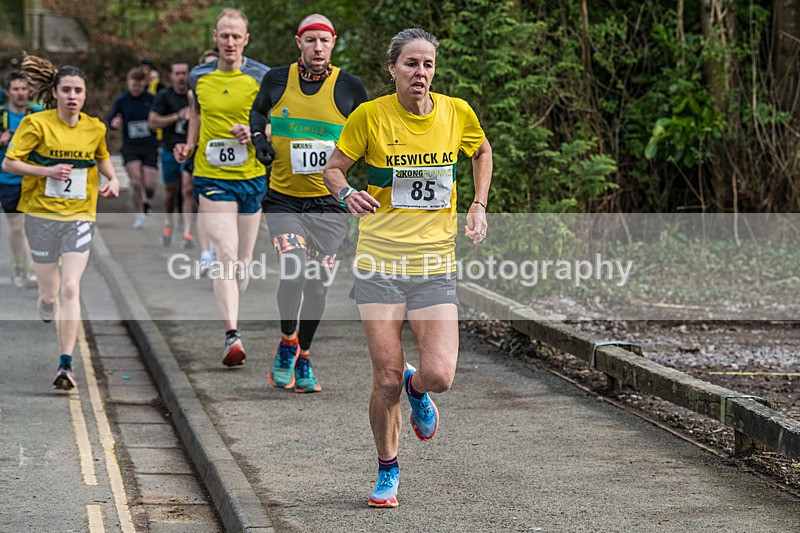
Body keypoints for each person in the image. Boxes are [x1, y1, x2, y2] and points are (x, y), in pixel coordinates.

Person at [322, 28, 492, 508]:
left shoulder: (456, 113)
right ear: (392, 69)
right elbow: (333, 167)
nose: (421, 73)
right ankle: (388, 470)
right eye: (411, 64)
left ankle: (420, 389)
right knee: (386, 378)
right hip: (380, 263)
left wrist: (478, 204)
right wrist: (344, 193)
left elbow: (481, 151)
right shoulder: (369, 116)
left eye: (428, 65)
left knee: (439, 374)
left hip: (435, 263)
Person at [249, 14, 368, 393]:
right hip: (283, 200)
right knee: (293, 269)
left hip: (330, 205)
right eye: (311, 40)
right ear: (299, 43)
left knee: (317, 285)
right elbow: (257, 112)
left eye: (325, 41)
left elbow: (370, 133)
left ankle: (304, 354)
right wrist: (258, 139)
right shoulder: (276, 80)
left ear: (333, 44)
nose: (318, 48)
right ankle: (287, 342)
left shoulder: (349, 87)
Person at [3, 55, 120, 390]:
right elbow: (10, 164)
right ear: (54, 93)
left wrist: (113, 181)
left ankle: (66, 364)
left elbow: (103, 159)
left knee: (71, 286)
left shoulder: (94, 127)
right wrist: (47, 171)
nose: (72, 95)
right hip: (40, 216)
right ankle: (45, 298)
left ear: (85, 95)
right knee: (50, 291)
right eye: (66, 89)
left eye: (78, 90)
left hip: (79, 216)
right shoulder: (36, 125)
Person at [174, 8, 269, 366]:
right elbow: (195, 114)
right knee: (225, 255)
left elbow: (275, 122)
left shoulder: (262, 77)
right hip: (212, 177)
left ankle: (234, 294)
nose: (230, 42)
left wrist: (255, 132)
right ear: (215, 37)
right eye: (224, 35)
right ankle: (232, 335)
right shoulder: (199, 77)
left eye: (236, 36)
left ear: (246, 40)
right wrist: (189, 144)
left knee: (242, 262)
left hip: (251, 177)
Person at [0, 70, 41, 289]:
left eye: (24, 89)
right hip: (7, 180)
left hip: (32, 179)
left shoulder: (37, 114)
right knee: (16, 228)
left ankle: (33, 270)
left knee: (30, 225)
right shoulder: (1, 116)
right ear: (8, 92)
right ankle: (18, 265)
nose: (21, 93)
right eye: (16, 89)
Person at [148, 61, 195, 248]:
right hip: (169, 149)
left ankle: (188, 232)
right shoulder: (164, 96)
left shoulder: (195, 95)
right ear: (171, 76)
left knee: (188, 189)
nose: (181, 77)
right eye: (177, 74)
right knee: (170, 192)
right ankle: (168, 222)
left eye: (184, 73)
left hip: (190, 150)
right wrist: (178, 116)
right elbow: (152, 122)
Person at [108, 67, 158, 229]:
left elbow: (160, 115)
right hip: (130, 146)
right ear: (128, 84)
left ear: (144, 84)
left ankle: (146, 197)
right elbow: (112, 119)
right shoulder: (122, 100)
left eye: (139, 86)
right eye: (133, 86)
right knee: (137, 181)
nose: (136, 89)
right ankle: (140, 214)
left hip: (149, 146)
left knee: (149, 185)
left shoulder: (151, 99)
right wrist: (114, 123)